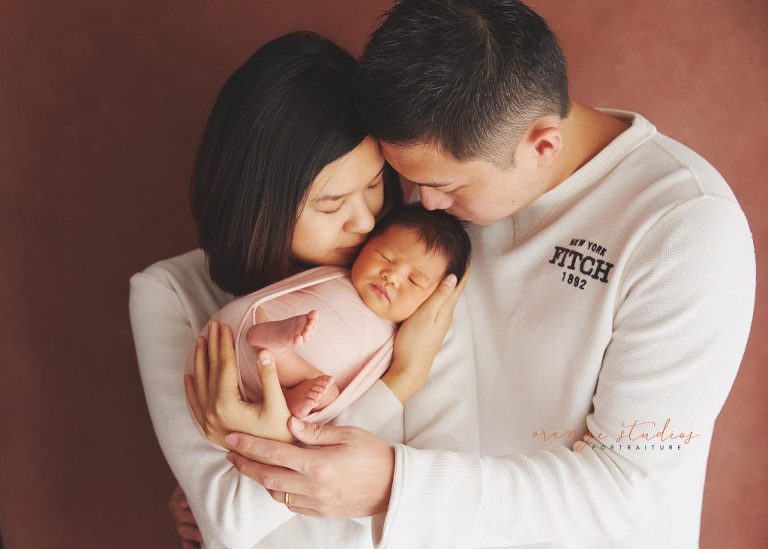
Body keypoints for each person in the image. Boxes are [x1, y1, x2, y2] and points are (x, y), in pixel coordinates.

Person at [213, 2, 756, 548]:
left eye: (447, 186)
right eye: (407, 180)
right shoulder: (447, 170)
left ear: (541, 146)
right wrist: (222, 478)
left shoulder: (683, 228)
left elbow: (630, 491)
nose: (422, 204)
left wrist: (396, 485)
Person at [129, 31, 475, 548]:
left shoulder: (413, 279)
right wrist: (396, 386)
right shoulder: (168, 294)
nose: (364, 222)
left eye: (376, 184)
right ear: (257, 204)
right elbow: (229, 524)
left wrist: (263, 446)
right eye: (332, 204)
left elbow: (449, 508)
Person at [187, 205, 471, 424]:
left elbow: (356, 406)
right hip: (239, 340)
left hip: (264, 408)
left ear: (433, 301)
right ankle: (276, 347)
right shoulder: (337, 275)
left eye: (414, 281)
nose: (392, 276)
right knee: (266, 321)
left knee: (329, 393)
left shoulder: (394, 344)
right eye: (385, 256)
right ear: (365, 245)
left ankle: (292, 395)